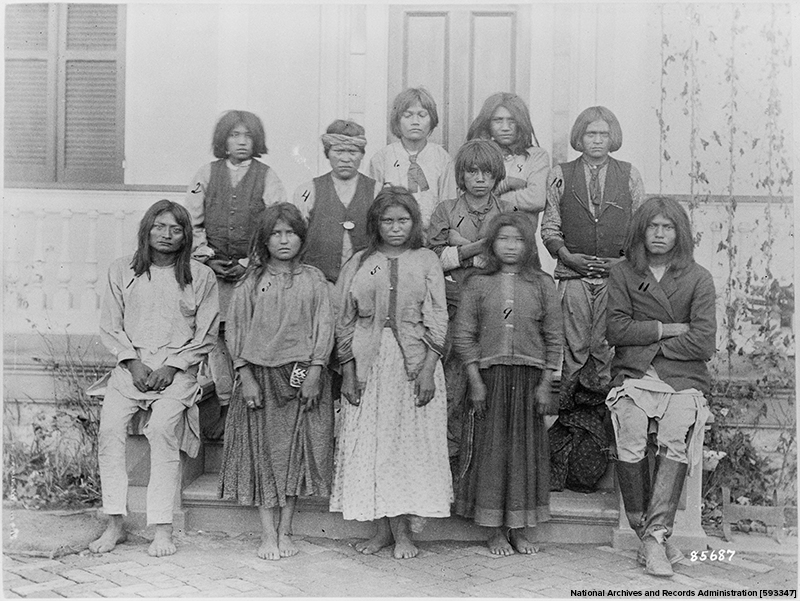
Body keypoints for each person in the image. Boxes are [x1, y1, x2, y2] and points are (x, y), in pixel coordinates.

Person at [90, 200, 219, 557]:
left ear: (185, 236)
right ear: (147, 230)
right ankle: (115, 521)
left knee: (162, 428)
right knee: (109, 430)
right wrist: (132, 363)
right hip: (131, 370)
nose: (166, 235)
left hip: (176, 373)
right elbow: (110, 326)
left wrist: (173, 366)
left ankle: (162, 527)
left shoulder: (200, 276)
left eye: (176, 229)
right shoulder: (123, 270)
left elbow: (206, 335)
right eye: (159, 227)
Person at [330, 186, 453, 559]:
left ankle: (404, 535)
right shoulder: (360, 262)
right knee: (374, 446)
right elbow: (344, 321)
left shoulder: (426, 259)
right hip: (370, 364)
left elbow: (438, 316)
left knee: (405, 448)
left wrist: (429, 368)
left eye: (403, 220)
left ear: (414, 223)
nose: (395, 227)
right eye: (387, 220)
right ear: (376, 224)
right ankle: (381, 531)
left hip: (413, 364)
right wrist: (349, 371)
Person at [218, 203, 335, 561]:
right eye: (276, 234)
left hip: (301, 374)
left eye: (291, 233)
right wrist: (245, 375)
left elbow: (324, 326)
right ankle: (267, 534)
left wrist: (315, 371)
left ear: (302, 237)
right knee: (264, 455)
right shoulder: (252, 282)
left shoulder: (314, 279)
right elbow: (234, 331)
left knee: (294, 454)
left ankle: (286, 531)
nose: (284, 241)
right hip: (261, 377)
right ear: (265, 239)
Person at [606, 196, 715, 577]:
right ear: (641, 230)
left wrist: (648, 340)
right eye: (653, 226)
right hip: (634, 374)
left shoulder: (698, 277)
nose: (659, 234)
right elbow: (616, 330)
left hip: (683, 379)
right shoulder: (622, 273)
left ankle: (653, 537)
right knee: (631, 431)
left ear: (678, 233)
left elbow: (704, 342)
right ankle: (650, 534)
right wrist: (668, 330)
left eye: (667, 227)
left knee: (675, 433)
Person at [452, 212, 561, 556]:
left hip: (529, 380)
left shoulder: (543, 285)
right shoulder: (477, 284)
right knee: (493, 453)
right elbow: (464, 335)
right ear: (491, 244)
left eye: (518, 239)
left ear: (528, 245)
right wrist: (475, 381)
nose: (510, 246)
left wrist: (546, 383)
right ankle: (493, 531)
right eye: (503, 239)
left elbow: (554, 337)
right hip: (490, 378)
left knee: (523, 457)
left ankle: (517, 529)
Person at [185, 110, 288, 441]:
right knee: (217, 338)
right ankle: (228, 405)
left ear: (256, 140)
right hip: (213, 272)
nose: (241, 141)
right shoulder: (206, 174)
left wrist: (251, 261)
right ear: (223, 140)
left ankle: (254, 408)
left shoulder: (267, 176)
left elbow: (276, 223)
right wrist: (207, 259)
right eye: (234, 135)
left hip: (253, 272)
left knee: (249, 337)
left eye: (247, 135)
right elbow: (192, 222)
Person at [540, 105, 645, 408]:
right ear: (579, 137)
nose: (597, 140)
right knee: (574, 347)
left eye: (603, 134)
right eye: (591, 134)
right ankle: (569, 421)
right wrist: (567, 256)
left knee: (605, 348)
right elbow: (549, 226)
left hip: (616, 278)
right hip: (575, 278)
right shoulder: (561, 174)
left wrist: (624, 262)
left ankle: (606, 422)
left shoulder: (629, 175)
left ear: (613, 137)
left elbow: (640, 229)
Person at [427, 139, 512, 457]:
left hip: (495, 305)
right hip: (453, 303)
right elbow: (434, 257)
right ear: (461, 175)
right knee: (452, 375)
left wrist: (461, 247)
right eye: (472, 171)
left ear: (496, 176)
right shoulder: (445, 209)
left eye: (487, 173)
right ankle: (448, 449)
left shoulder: (506, 211)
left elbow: (509, 256)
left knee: (490, 375)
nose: (479, 178)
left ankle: (484, 454)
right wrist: (479, 247)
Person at [293, 119, 375, 284]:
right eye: (338, 151)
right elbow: (296, 239)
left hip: (364, 282)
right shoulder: (308, 191)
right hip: (319, 282)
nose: (345, 158)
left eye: (352, 151)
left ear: (362, 154)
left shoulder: (378, 191)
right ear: (327, 153)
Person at [369, 87, 456, 229]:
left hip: (431, 235)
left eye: (422, 115)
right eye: (408, 115)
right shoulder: (382, 158)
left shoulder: (442, 158)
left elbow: (449, 203)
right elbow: (375, 204)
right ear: (397, 120)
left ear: (432, 120)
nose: (415, 121)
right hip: (395, 234)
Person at [466, 92, 550, 230]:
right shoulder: (477, 154)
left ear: (521, 123)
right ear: (488, 124)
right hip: (480, 239)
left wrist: (494, 194)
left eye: (512, 121)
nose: (505, 127)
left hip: (521, 240)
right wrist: (509, 183)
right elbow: (467, 199)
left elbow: (536, 199)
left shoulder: (536, 156)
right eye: (498, 120)